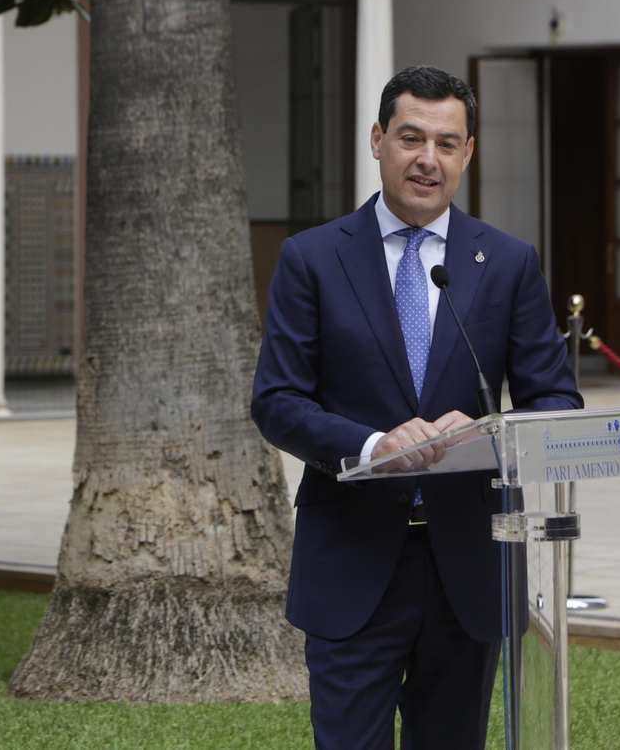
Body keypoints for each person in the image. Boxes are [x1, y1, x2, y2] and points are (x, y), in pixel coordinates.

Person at [251, 65, 582, 749]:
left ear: (468, 152)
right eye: (411, 138)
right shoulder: (311, 258)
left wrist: (491, 430)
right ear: (377, 140)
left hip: (471, 563)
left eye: (446, 143)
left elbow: (555, 400)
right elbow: (277, 400)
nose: (428, 159)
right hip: (352, 558)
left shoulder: (509, 263)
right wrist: (373, 446)